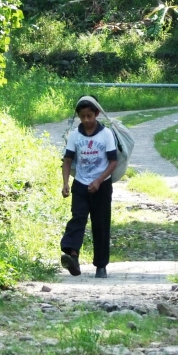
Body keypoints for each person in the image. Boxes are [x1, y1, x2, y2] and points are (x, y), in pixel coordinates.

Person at [59, 96, 118, 279]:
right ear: (78, 116)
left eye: (90, 116)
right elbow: (67, 160)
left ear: (97, 114)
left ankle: (101, 266)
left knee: (101, 225)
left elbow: (113, 161)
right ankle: (73, 258)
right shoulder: (75, 136)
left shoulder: (106, 134)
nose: (86, 120)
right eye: (83, 116)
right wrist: (66, 183)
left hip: (102, 185)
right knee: (78, 219)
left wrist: (99, 180)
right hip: (81, 185)